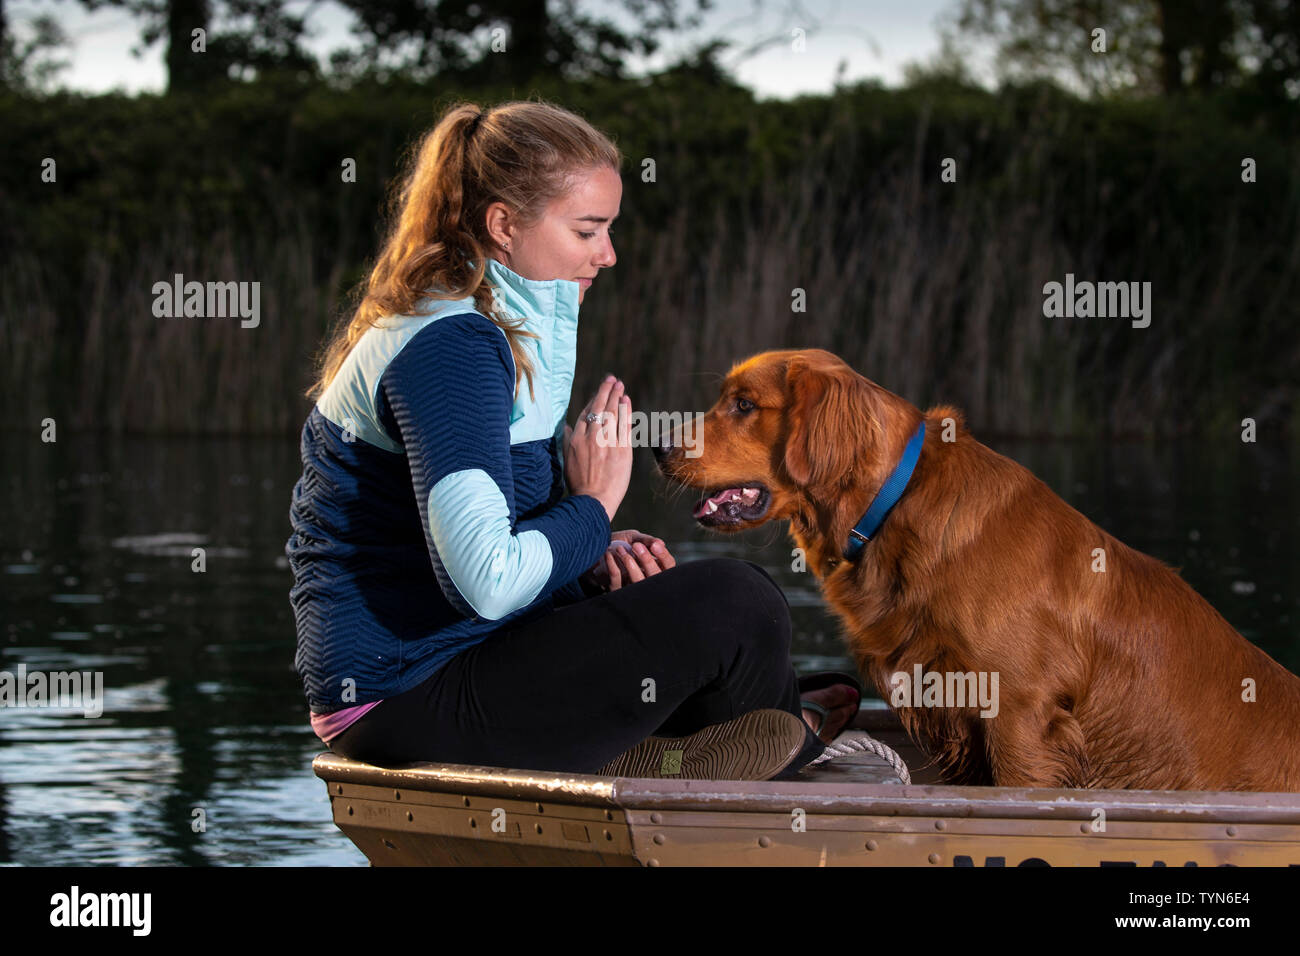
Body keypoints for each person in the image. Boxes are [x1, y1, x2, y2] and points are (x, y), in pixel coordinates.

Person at [285, 99, 861, 780]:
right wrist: (592, 508)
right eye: (588, 230)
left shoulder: (469, 326)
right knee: (740, 604)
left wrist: (592, 556)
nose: (608, 254)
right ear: (504, 224)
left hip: (446, 673)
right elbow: (489, 585)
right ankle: (777, 759)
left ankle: (718, 745)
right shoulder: (453, 349)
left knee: (723, 613)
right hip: (409, 695)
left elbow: (475, 539)